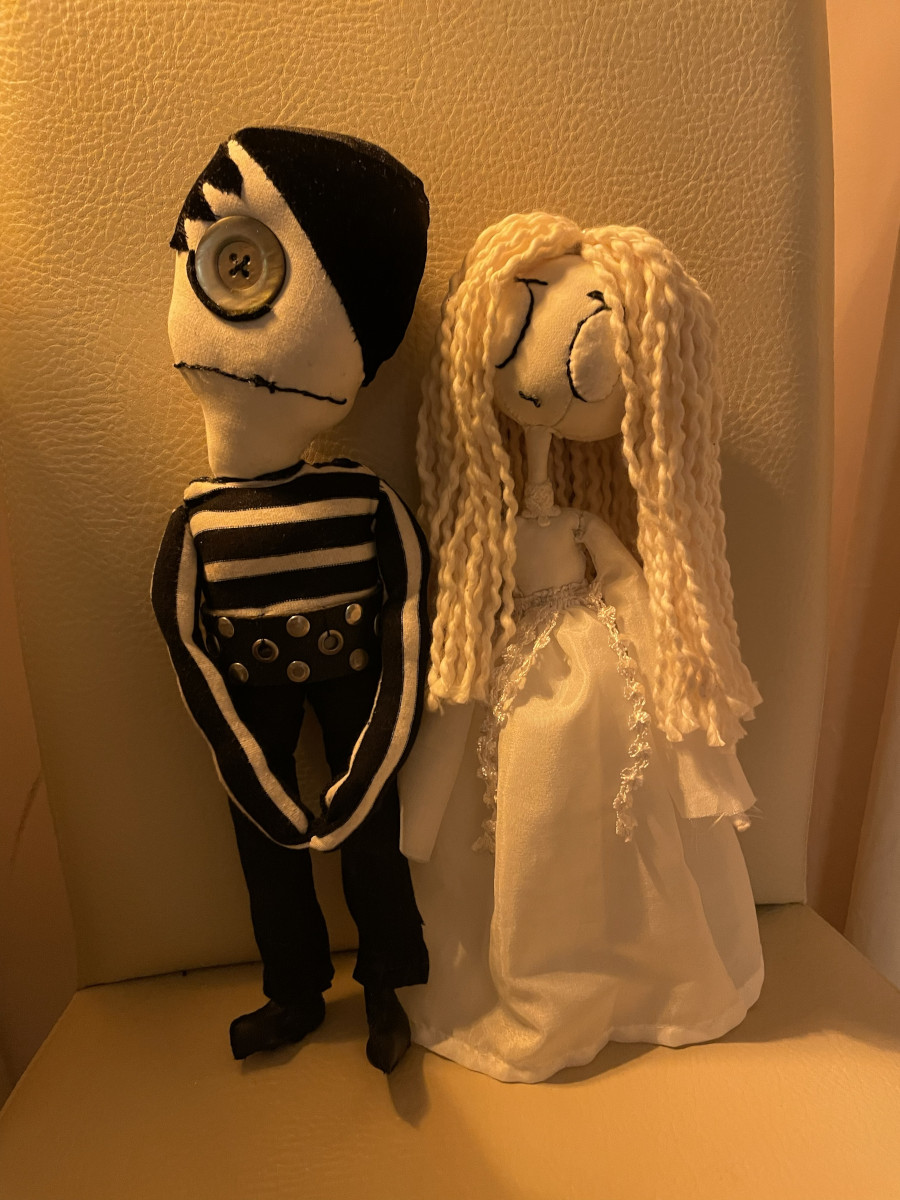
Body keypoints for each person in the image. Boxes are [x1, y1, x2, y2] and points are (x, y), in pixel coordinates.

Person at [400, 211, 764, 1082]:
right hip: (505, 646)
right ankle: (510, 965)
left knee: (618, 795)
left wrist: (682, 673)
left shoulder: (583, 525)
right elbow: (460, 617)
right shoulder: (483, 531)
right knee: (496, 793)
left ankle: (641, 972)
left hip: (596, 652)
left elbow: (633, 584)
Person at [152, 126, 430, 1073]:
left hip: (356, 691)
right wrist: (251, 772)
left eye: (253, 267)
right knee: (263, 847)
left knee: (374, 836)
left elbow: (410, 622)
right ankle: (294, 989)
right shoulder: (196, 524)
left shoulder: (363, 499)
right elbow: (188, 650)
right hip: (253, 704)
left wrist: (374, 759)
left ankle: (387, 980)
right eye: (218, 259)